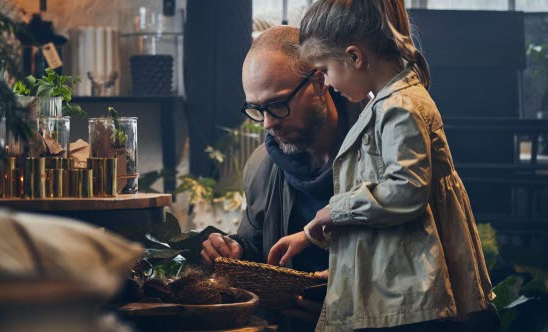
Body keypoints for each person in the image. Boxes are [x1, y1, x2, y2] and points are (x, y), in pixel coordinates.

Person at [267, 1, 500, 331]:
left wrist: (334, 211)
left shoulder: (399, 108)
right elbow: (381, 204)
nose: (329, 85)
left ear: (354, 57)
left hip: (417, 297)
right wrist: (309, 234)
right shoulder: (387, 102)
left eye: (326, 70)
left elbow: (404, 192)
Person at [200, 26, 362, 329]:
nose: (267, 123)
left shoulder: (379, 153)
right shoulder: (261, 166)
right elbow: (254, 248)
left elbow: (415, 266)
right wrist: (233, 251)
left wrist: (346, 311)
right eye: (257, 109)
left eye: (277, 105)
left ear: (319, 81)